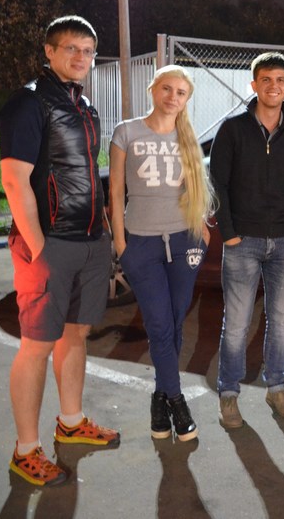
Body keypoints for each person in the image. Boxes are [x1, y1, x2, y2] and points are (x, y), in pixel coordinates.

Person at [0, 15, 119, 487]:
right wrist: (38, 247)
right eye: (71, 48)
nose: (80, 57)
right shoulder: (28, 103)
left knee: (76, 335)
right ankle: (25, 450)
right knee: (37, 346)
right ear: (48, 51)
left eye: (88, 51)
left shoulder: (84, 106)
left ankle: (71, 421)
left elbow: (85, 172)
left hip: (88, 240)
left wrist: (103, 233)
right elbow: (15, 180)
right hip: (50, 243)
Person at [109, 65, 214, 442]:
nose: (173, 97)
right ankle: (177, 401)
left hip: (185, 242)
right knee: (158, 325)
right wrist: (121, 244)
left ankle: (159, 400)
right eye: (167, 89)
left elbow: (195, 190)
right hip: (142, 243)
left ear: (186, 100)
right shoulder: (126, 132)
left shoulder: (188, 138)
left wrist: (201, 233)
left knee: (172, 323)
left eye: (181, 92)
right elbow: (115, 192)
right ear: (153, 90)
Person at [208, 52, 284, 428]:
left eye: (280, 80)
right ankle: (229, 393)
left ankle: (276, 387)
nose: (273, 86)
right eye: (266, 79)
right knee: (237, 322)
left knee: (281, 321)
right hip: (243, 242)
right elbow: (217, 183)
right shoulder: (232, 129)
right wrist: (229, 233)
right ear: (254, 85)